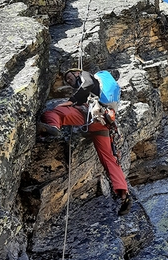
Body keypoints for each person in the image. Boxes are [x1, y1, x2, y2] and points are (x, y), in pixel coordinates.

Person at [38, 69, 132, 216]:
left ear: (77, 72)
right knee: (109, 159)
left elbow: (86, 84)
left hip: (92, 117)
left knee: (53, 112)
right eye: (67, 81)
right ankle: (123, 193)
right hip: (103, 123)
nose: (69, 81)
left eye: (70, 77)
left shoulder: (87, 76)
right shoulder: (96, 91)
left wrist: (71, 101)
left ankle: (54, 126)